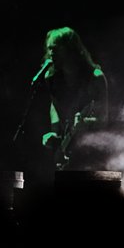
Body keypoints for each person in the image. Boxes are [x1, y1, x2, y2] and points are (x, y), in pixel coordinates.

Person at [22, 26, 109, 184]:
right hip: (67, 151)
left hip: (92, 152)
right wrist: (55, 133)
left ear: (70, 49)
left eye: (55, 48)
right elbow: (54, 105)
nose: (51, 53)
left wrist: (86, 123)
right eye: (49, 49)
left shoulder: (95, 78)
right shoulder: (51, 77)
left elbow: (104, 118)